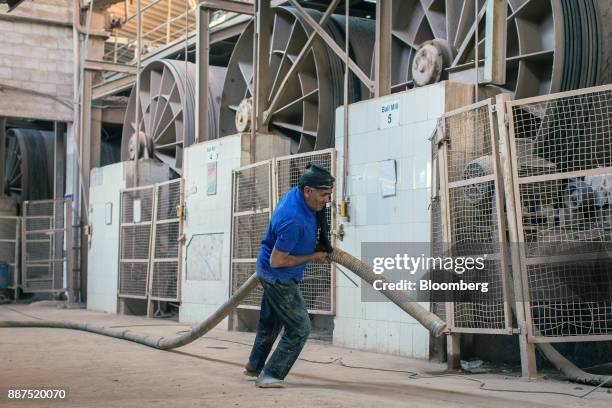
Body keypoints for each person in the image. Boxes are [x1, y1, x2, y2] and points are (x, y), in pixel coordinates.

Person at [244, 162, 335, 388]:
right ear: (308, 191)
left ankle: (254, 366)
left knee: (270, 323)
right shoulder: (293, 218)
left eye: (329, 195)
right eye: (324, 195)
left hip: (271, 270)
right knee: (300, 328)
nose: (327, 200)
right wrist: (312, 256)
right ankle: (270, 375)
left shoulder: (298, 196)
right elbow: (278, 261)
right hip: (278, 277)